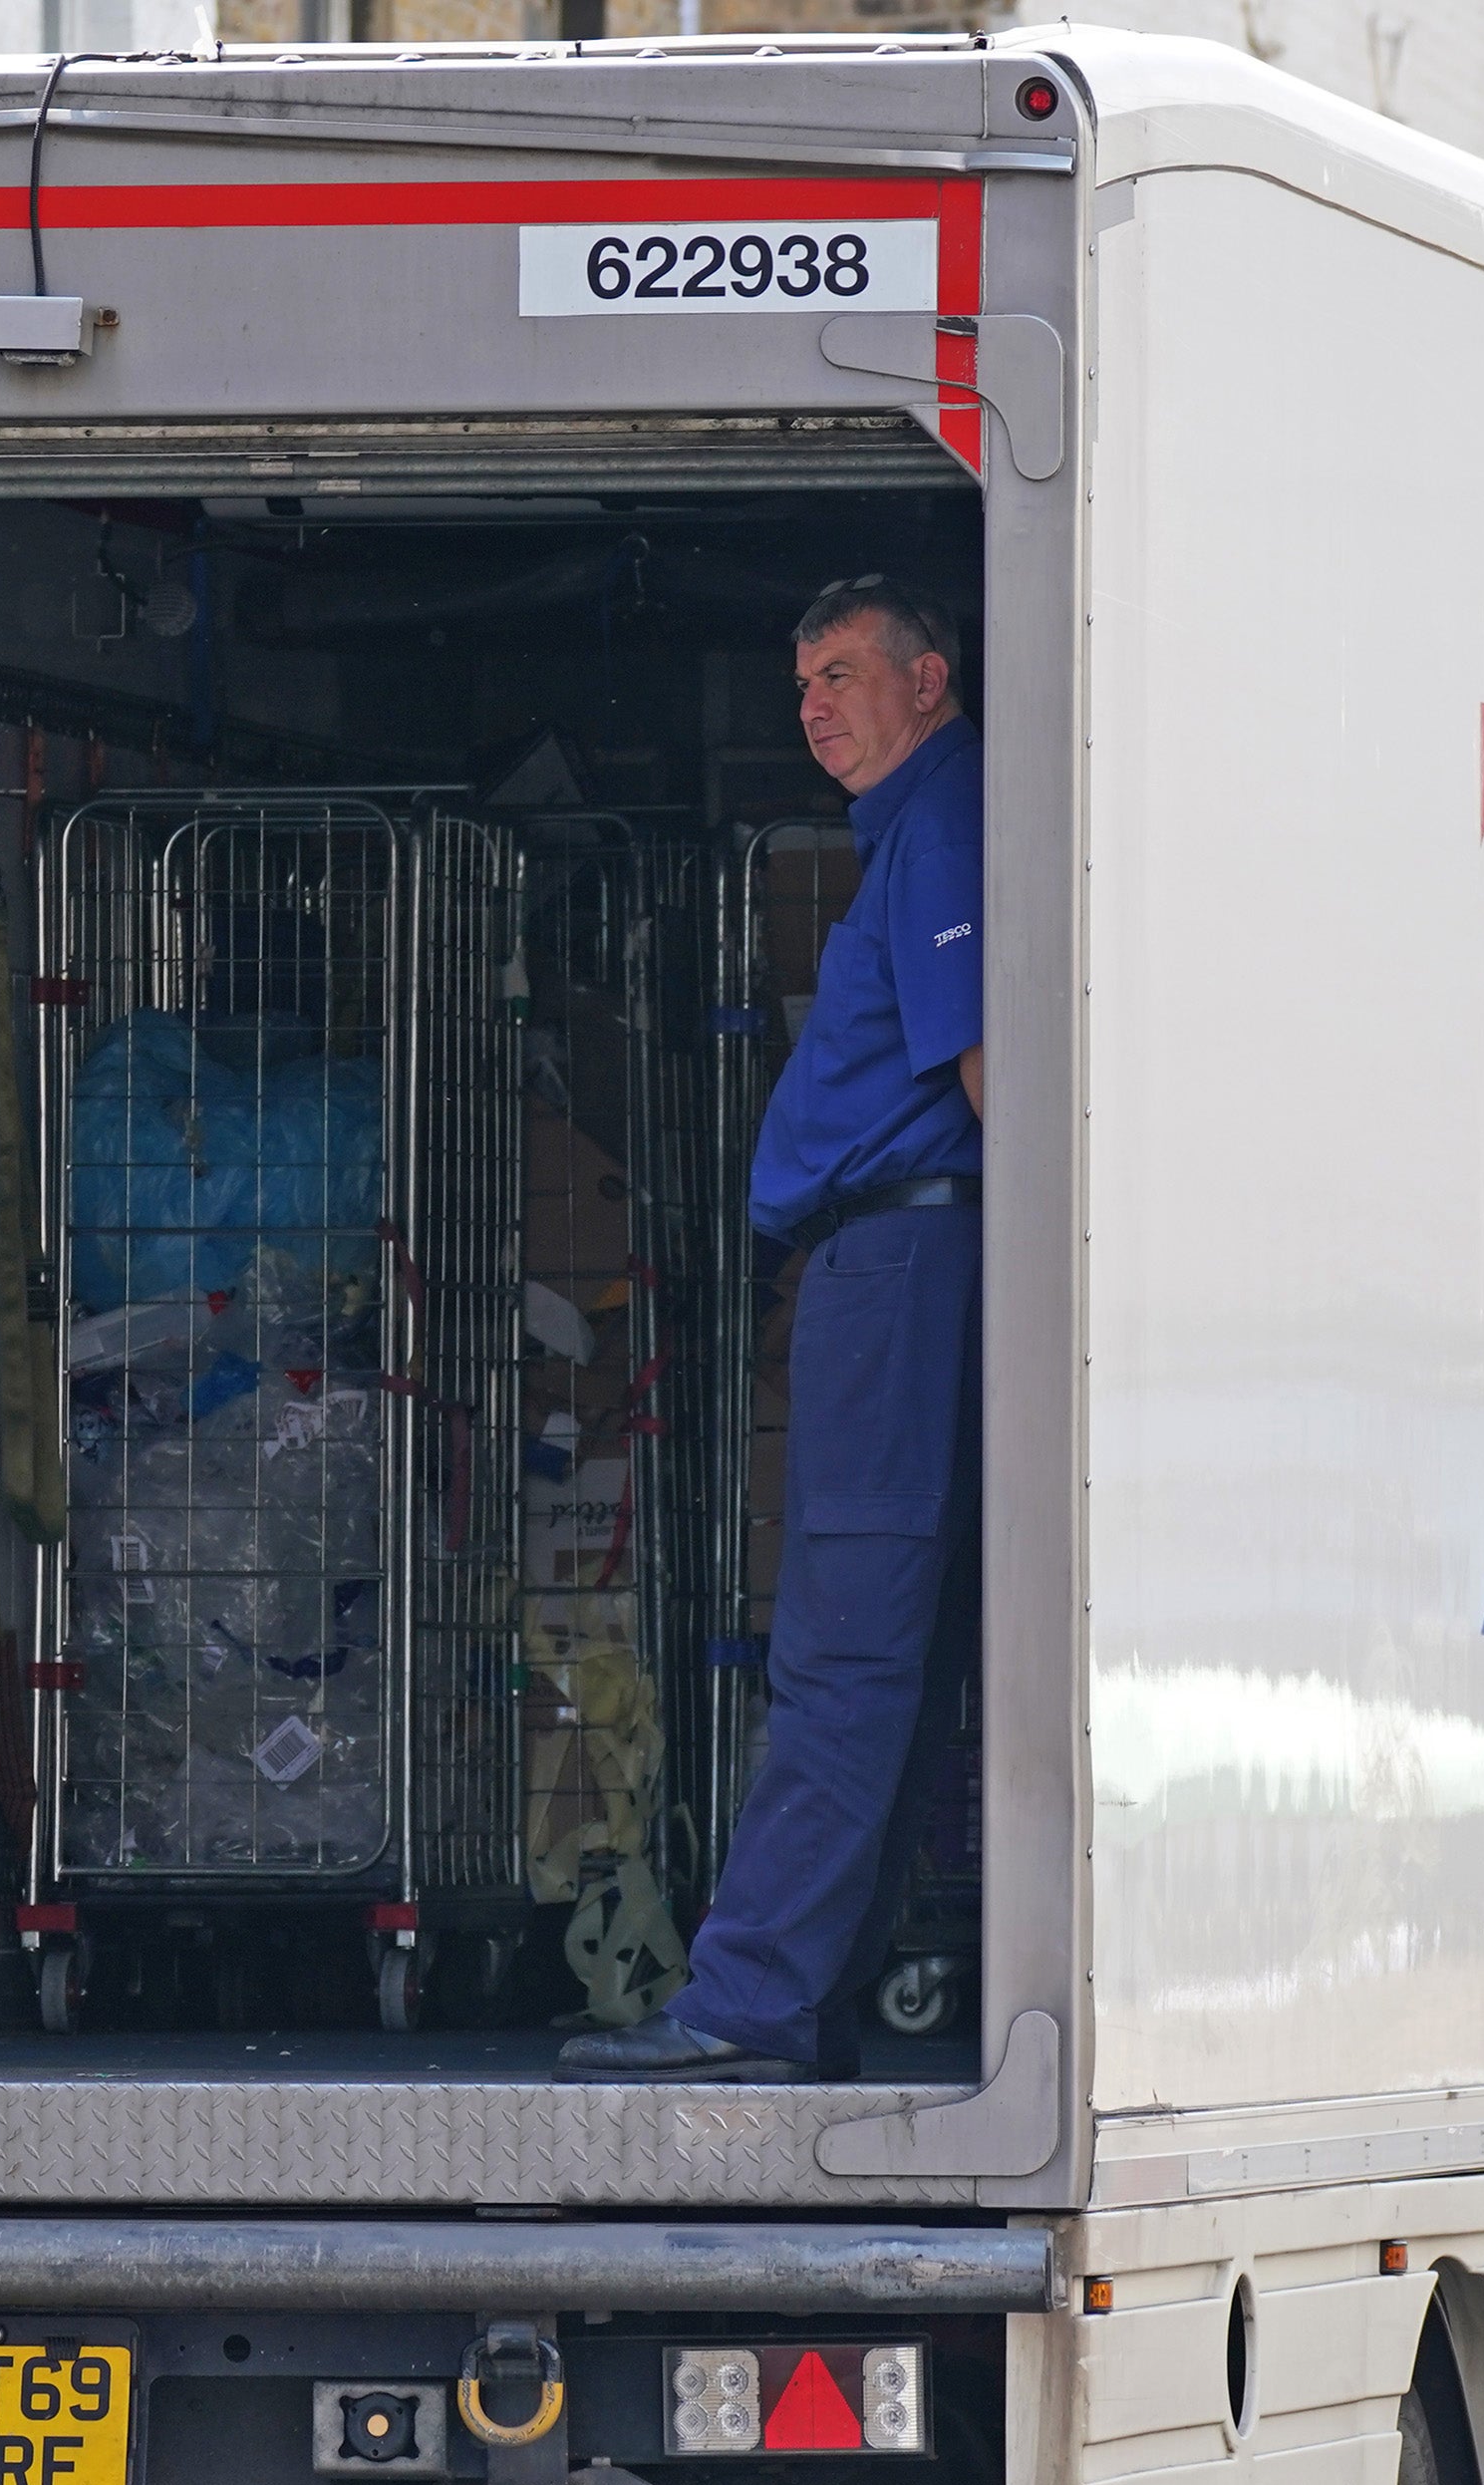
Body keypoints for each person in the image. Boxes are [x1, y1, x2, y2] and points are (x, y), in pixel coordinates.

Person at [561, 575, 982, 2082]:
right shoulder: (913, 830)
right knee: (898, 1652)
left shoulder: (940, 827)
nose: (814, 707)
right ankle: (805, 1997)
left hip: (910, 1259)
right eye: (802, 682)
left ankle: (746, 2004)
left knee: (845, 1644)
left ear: (928, 680)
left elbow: (992, 1068)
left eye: (845, 673)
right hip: (908, 1257)